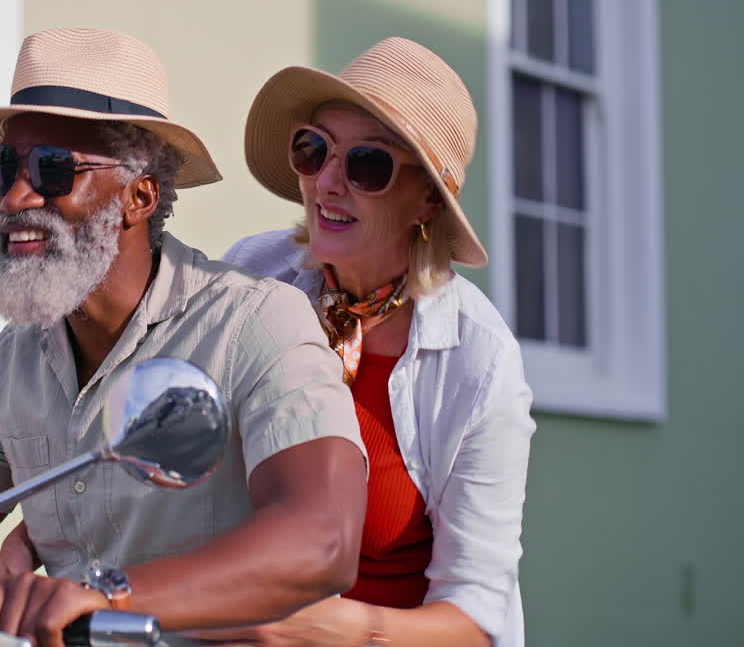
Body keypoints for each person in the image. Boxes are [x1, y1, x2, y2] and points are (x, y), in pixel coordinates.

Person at [0, 28, 368, 647]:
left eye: (53, 169)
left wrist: (107, 594)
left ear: (138, 196)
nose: (13, 196)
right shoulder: (16, 361)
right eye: (2, 167)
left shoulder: (256, 322)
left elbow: (322, 541)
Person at [212, 37, 536, 646]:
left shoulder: (481, 360)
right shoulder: (252, 274)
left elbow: (475, 617)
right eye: (315, 149)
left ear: (427, 201)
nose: (328, 182)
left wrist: (324, 631)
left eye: (367, 164)